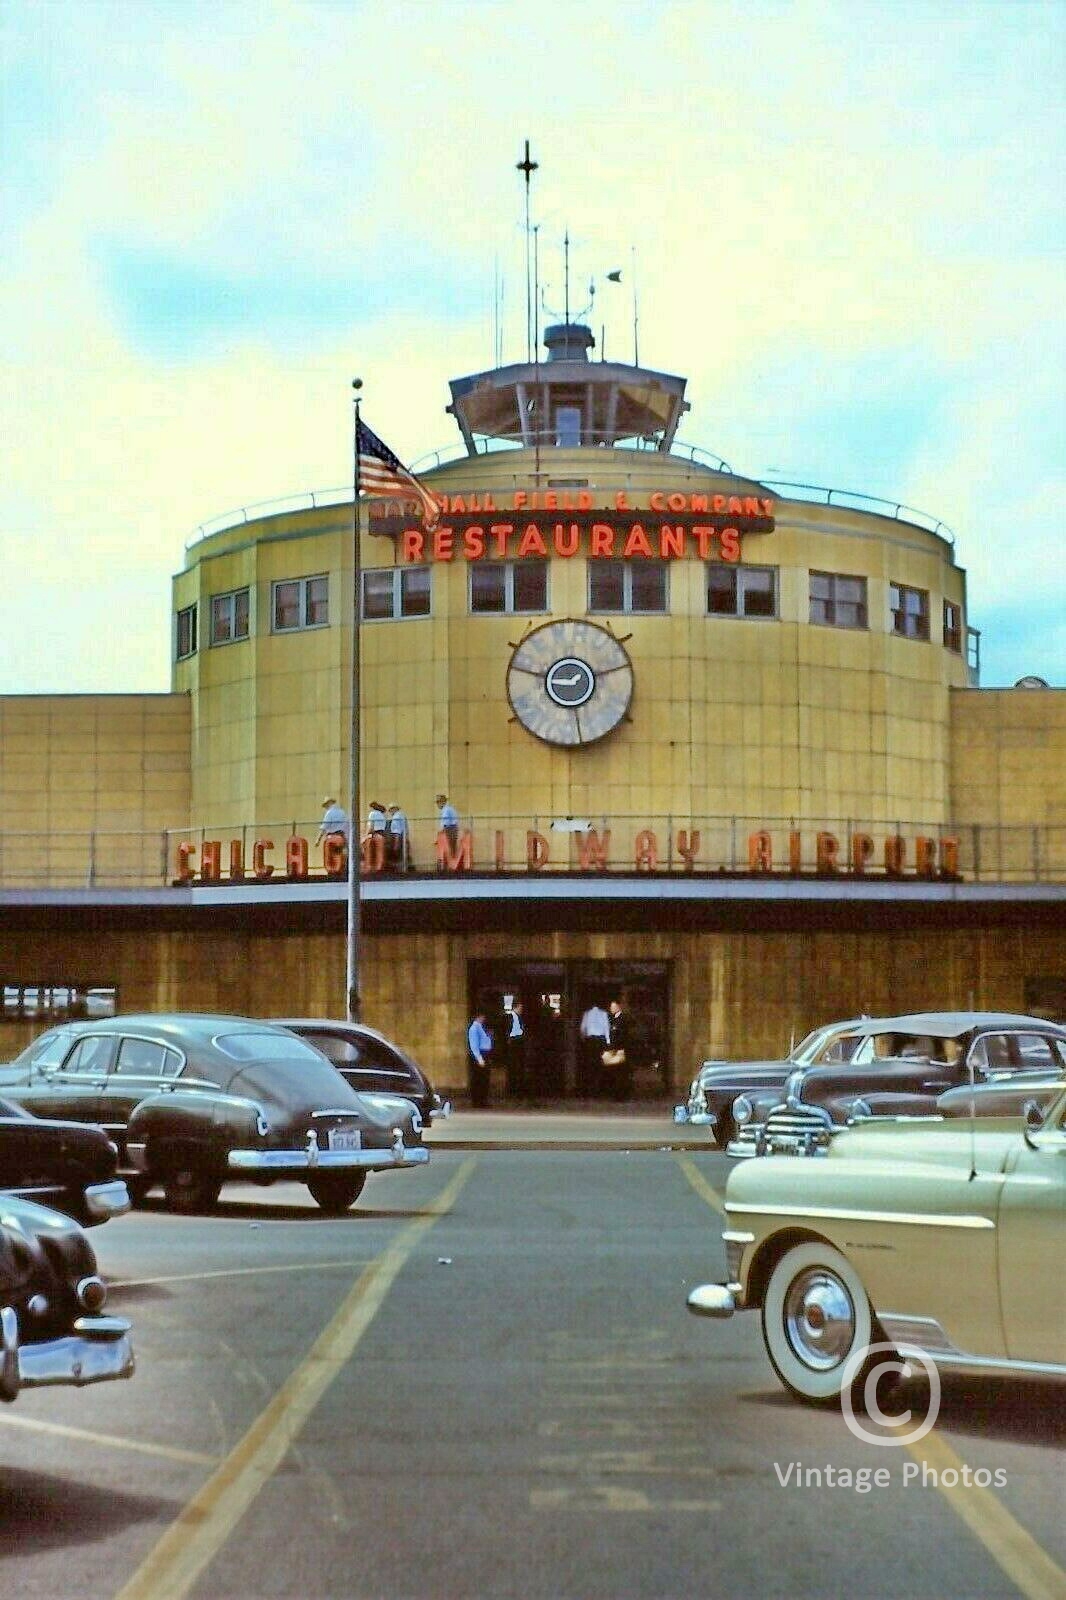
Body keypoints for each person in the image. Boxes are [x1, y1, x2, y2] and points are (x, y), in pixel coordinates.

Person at [579, 998, 611, 1097]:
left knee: (590, 1064)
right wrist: (608, 1041)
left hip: (590, 1040)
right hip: (600, 1041)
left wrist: (583, 1040)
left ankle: (590, 1088)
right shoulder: (603, 1014)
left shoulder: (587, 1014)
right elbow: (607, 1028)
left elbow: (582, 1029)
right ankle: (599, 1087)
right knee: (600, 1064)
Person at [604, 997, 633, 1102]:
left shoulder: (622, 1019)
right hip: (615, 1049)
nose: (611, 1009)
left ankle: (622, 1094)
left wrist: (615, 1047)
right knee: (616, 1073)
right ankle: (617, 1093)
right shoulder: (613, 1019)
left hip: (620, 1049)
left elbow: (622, 1035)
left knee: (621, 1073)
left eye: (613, 1006)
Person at [467, 1009, 493, 1108]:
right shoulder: (474, 1028)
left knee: (484, 1080)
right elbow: (474, 1045)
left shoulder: (480, 1027)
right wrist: (479, 1058)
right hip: (480, 1055)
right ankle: (478, 1101)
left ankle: (483, 1099)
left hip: (485, 1054)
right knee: (479, 1080)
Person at [504, 1000, 527, 1099]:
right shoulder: (510, 1018)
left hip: (519, 1042)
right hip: (514, 1043)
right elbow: (508, 1030)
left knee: (519, 1067)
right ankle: (512, 1090)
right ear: (516, 1007)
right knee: (513, 1067)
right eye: (520, 1008)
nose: (521, 1010)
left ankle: (518, 1091)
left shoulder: (519, 1017)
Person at [386, 804, 410, 870]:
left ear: (394, 809)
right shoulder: (402, 815)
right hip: (404, 838)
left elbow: (397, 832)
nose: (390, 812)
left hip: (399, 839)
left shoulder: (396, 817)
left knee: (398, 857)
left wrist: (396, 844)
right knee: (404, 857)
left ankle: (399, 872)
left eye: (390, 810)